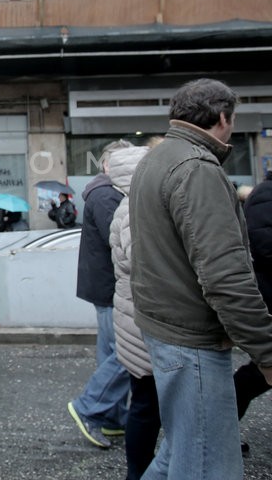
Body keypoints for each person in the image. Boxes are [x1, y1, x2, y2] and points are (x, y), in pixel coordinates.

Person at [130, 79, 272, 479]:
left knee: (183, 449)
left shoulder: (159, 158)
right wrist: (266, 350)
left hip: (166, 327)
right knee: (209, 462)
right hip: (191, 337)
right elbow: (226, 276)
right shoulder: (195, 167)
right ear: (223, 117)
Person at [66, 140, 132, 449]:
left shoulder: (106, 191)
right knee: (126, 354)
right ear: (106, 165)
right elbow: (117, 240)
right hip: (110, 286)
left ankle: (113, 418)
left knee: (111, 352)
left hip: (105, 285)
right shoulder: (107, 194)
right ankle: (89, 406)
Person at [108, 144, 158, 479]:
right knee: (147, 406)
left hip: (130, 315)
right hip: (143, 318)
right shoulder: (137, 210)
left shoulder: (128, 205)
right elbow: (147, 266)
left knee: (145, 403)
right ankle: (139, 472)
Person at [234, 170, 272, 452]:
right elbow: (262, 247)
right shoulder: (264, 196)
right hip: (269, 297)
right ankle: (221, 424)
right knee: (260, 372)